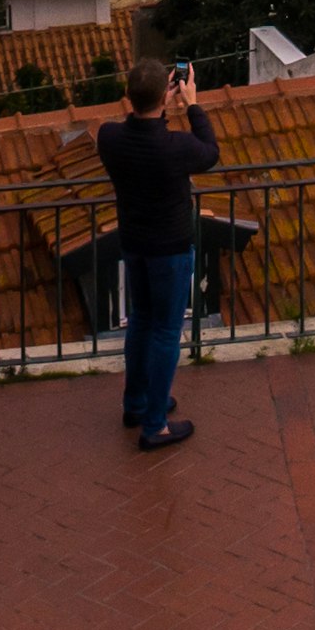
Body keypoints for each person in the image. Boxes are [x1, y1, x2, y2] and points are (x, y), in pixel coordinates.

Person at [98, 56, 220, 451]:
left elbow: (133, 126)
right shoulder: (176, 146)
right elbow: (210, 151)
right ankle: (155, 424)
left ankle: (136, 403)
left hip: (133, 243)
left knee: (141, 322)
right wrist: (193, 103)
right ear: (167, 95)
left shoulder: (109, 138)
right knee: (167, 330)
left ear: (127, 97)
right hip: (169, 248)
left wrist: (154, 104)